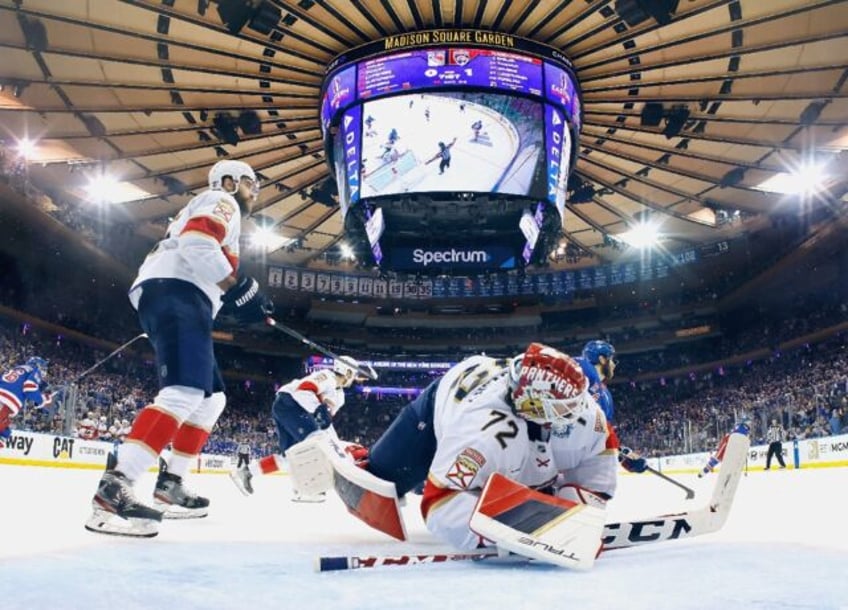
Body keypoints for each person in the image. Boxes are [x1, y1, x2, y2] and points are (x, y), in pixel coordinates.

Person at [85, 159, 274, 538]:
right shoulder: (224, 200)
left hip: (182, 293)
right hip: (177, 290)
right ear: (230, 181)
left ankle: (170, 485)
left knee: (211, 399)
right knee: (184, 391)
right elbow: (197, 242)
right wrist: (234, 286)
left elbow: (202, 254)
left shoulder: (221, 205)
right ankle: (114, 487)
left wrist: (236, 297)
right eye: (252, 182)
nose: (256, 190)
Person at [346, 343, 617, 551]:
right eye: (564, 409)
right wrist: (516, 532)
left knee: (531, 476)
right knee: (381, 480)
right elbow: (440, 505)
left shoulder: (576, 406)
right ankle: (357, 456)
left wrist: (575, 507)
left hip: (490, 402)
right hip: (438, 407)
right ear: (536, 405)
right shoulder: (480, 430)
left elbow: (601, 448)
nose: (579, 412)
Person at [229, 356, 373, 502]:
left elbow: (325, 423)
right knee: (315, 445)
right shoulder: (326, 376)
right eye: (354, 373)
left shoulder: (339, 396)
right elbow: (303, 390)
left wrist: (334, 444)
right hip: (290, 404)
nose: (355, 378)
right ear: (347, 372)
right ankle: (306, 489)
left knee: (289, 457)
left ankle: (246, 472)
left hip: (290, 409)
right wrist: (319, 410)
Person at [576, 340, 646, 475]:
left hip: (589, 465)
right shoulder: (582, 374)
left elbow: (601, 433)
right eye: (612, 359)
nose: (614, 364)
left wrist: (622, 456)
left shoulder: (605, 393)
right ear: (602, 359)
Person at [0, 356, 52, 440]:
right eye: (43, 368)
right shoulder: (34, 370)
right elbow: (29, 387)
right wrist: (42, 400)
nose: (44, 371)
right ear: (38, 365)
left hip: (4, 402)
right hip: (6, 403)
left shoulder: (16, 369)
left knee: (5, 434)